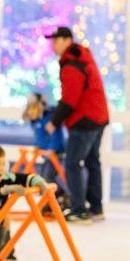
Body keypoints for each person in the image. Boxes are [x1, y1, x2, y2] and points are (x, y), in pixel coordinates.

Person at [44, 26, 109, 224]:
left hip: (85, 119)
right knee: (92, 162)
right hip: (99, 116)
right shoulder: (83, 57)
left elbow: (70, 99)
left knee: (72, 163)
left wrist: (54, 122)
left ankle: (79, 209)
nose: (53, 46)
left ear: (66, 40)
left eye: (56, 41)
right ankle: (96, 208)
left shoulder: (72, 63)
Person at [23, 92, 69, 208]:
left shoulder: (49, 119)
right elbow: (39, 136)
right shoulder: (36, 121)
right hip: (46, 154)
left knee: (48, 177)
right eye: (30, 107)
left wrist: (52, 148)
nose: (32, 110)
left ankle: (62, 196)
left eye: (34, 106)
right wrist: (37, 147)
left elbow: (55, 135)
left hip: (55, 153)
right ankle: (51, 202)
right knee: (44, 177)